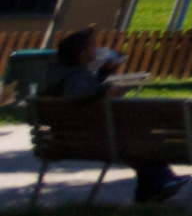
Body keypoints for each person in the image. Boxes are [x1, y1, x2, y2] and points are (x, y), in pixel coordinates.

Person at [45, 32, 178, 204]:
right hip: (92, 141)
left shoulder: (61, 74)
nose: (97, 49)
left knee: (137, 141)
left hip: (72, 139)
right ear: (82, 53)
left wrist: (104, 74)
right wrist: (105, 92)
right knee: (141, 140)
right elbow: (78, 94)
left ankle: (157, 186)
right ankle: (159, 184)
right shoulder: (75, 76)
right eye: (92, 46)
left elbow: (82, 93)